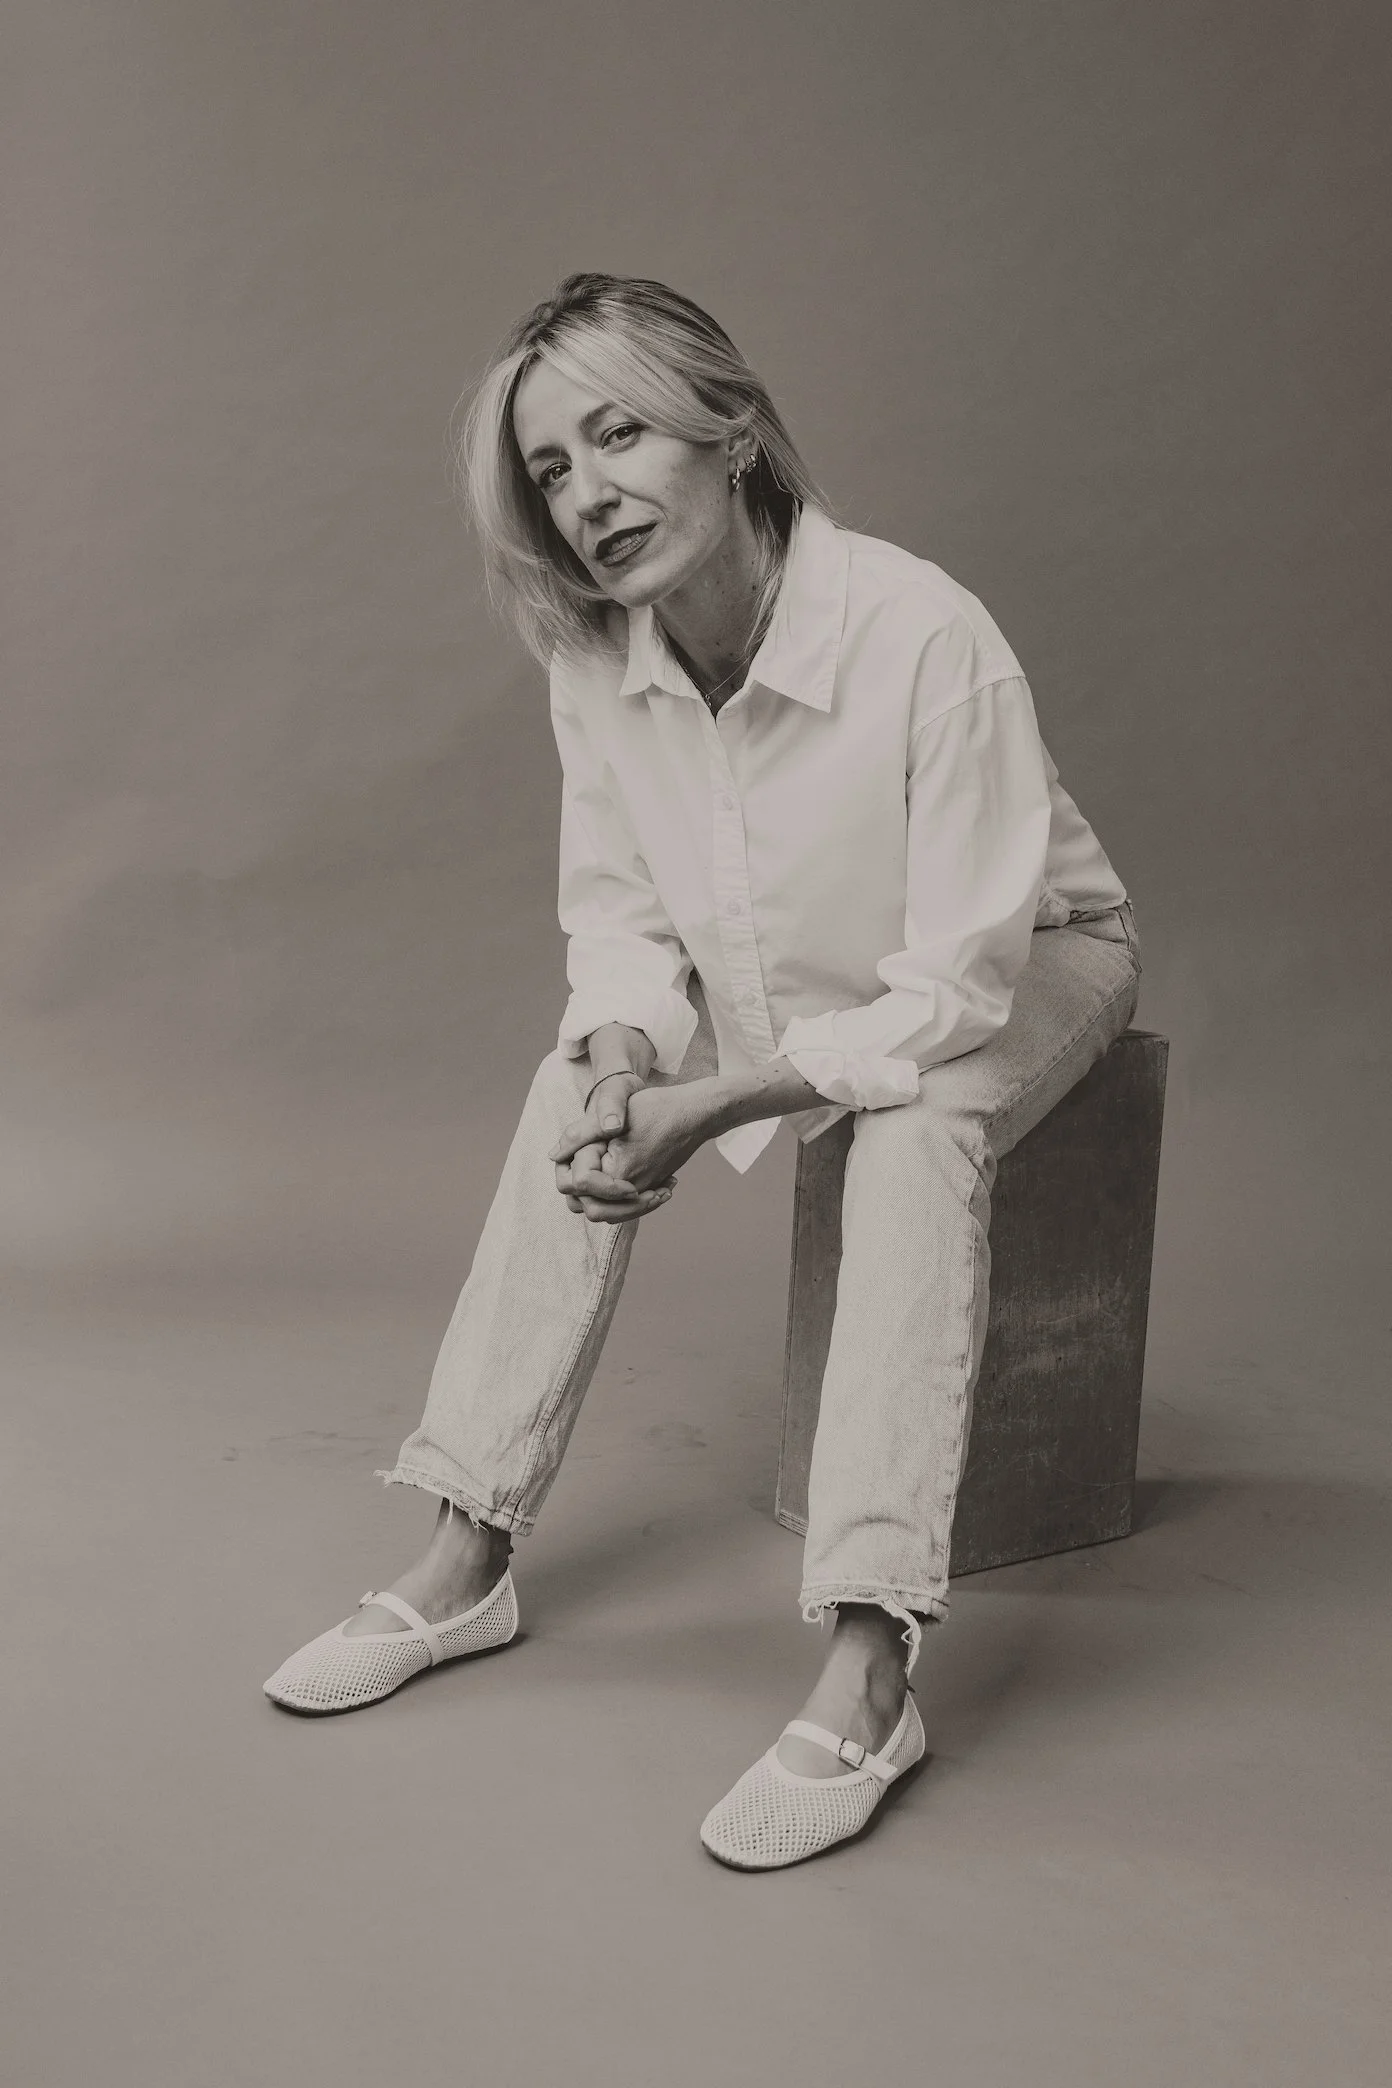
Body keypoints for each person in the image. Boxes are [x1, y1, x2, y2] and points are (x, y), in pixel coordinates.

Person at [263, 272, 1140, 1871]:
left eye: (621, 435)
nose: (588, 497)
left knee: (921, 1121)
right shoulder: (595, 662)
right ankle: (469, 1553)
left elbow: (958, 982)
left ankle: (874, 1660)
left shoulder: (923, 632)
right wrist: (617, 1066)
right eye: (550, 470)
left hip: (1025, 951)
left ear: (729, 435)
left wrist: (721, 1102)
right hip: (796, 975)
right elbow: (621, 927)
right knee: (564, 1092)